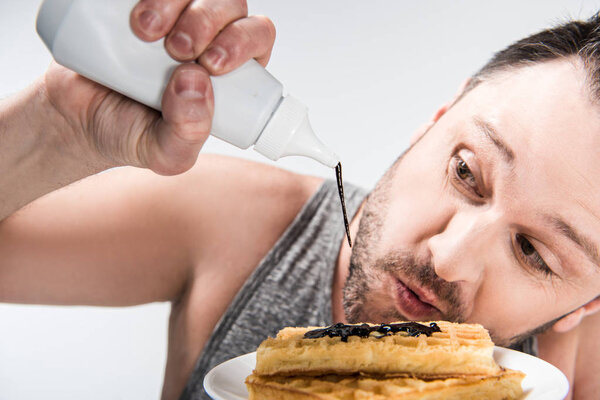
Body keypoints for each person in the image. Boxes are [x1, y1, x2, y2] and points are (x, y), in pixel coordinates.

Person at [1, 0, 599, 399]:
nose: (447, 259)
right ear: (431, 125)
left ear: (586, 305)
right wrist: (55, 130)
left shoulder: (568, 370)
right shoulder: (242, 226)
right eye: (466, 172)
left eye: (534, 253)